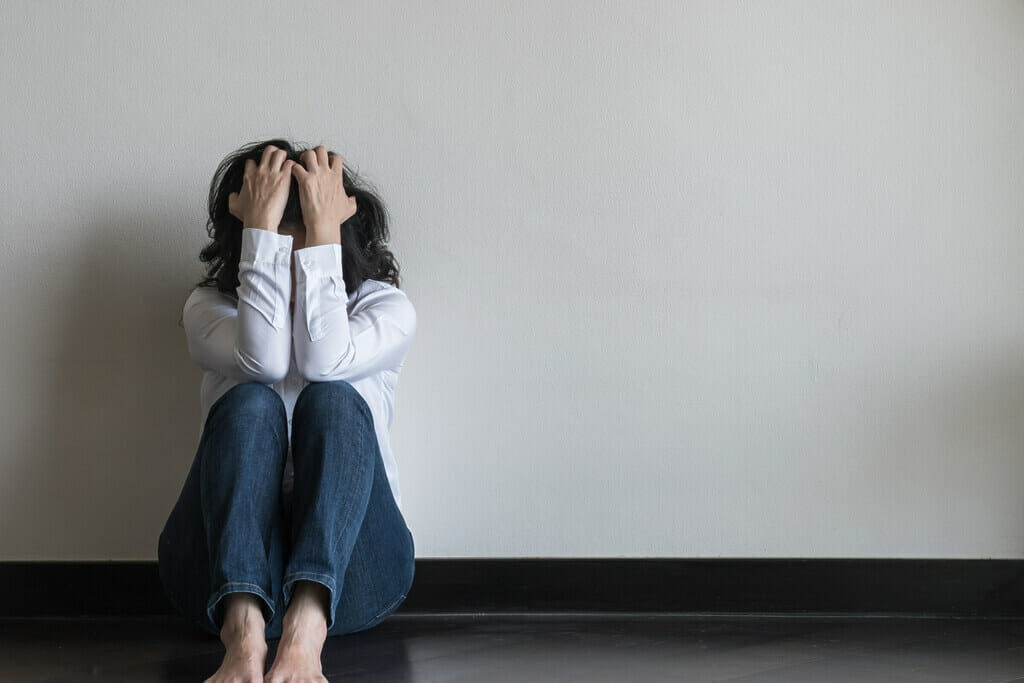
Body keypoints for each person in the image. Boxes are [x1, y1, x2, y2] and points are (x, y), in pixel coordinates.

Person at [157, 139, 417, 682]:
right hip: (214, 579)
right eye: (274, 251)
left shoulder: (384, 309)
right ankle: (243, 640)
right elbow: (264, 358)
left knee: (334, 398)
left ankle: (306, 632)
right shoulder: (209, 309)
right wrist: (264, 238)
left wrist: (321, 232)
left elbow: (325, 361)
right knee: (251, 398)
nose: (291, 272)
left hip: (355, 577)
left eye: (305, 253)